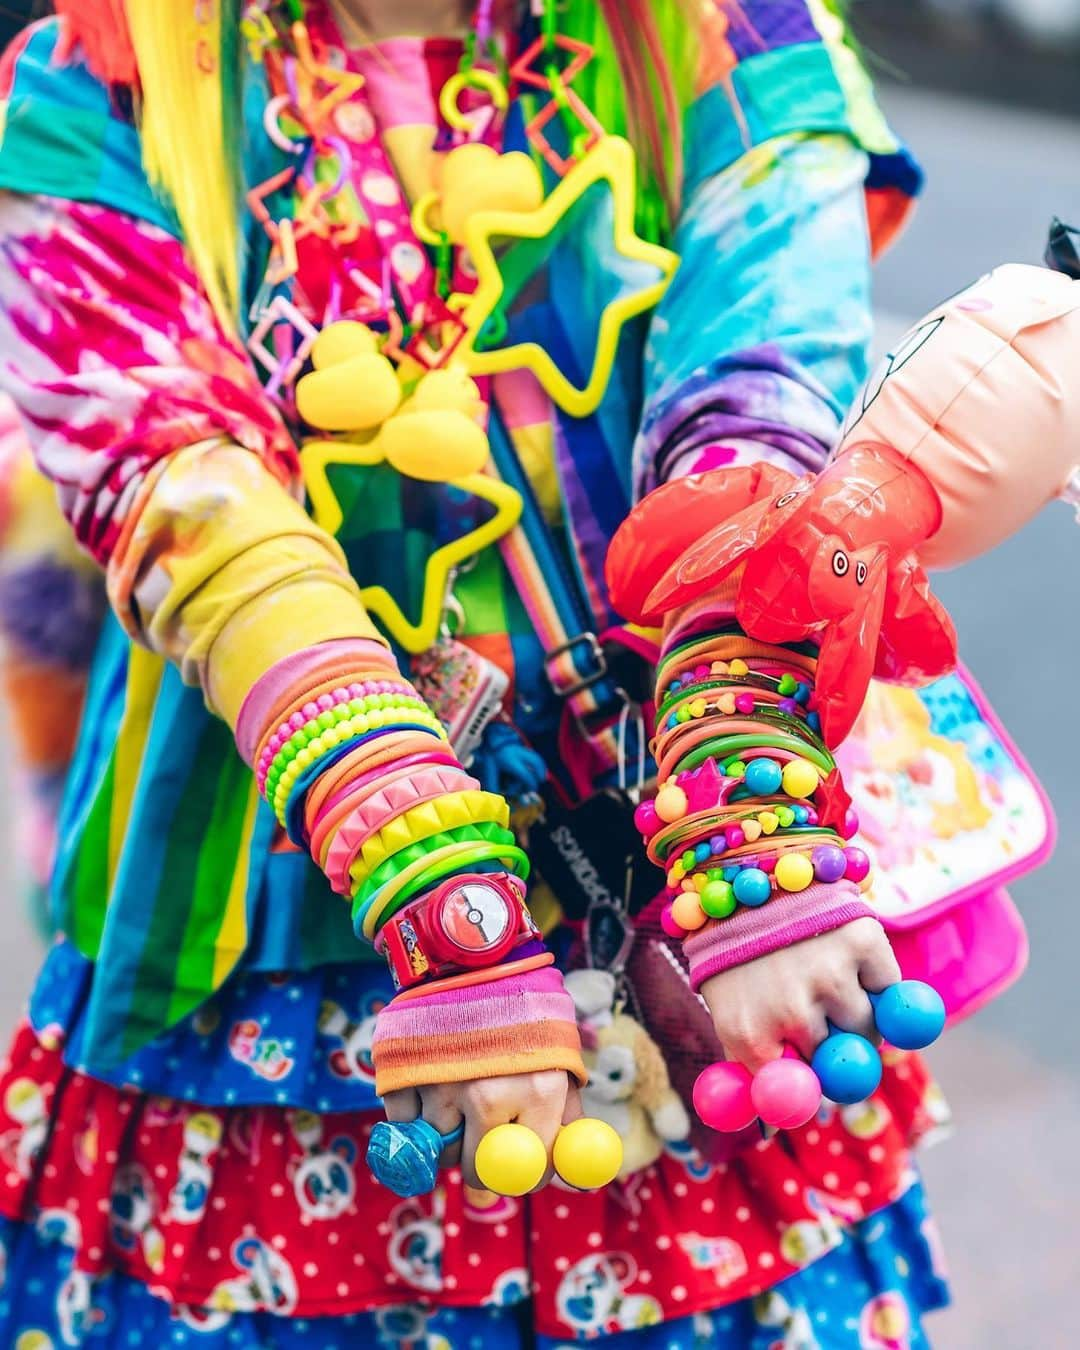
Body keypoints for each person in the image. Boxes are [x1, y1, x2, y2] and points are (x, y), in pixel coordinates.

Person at [0, 2, 957, 1346]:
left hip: (690, 876)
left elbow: (767, 380)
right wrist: (422, 853)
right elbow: (179, 485)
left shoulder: (733, 37)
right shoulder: (95, 88)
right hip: (289, 911)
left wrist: (745, 787)